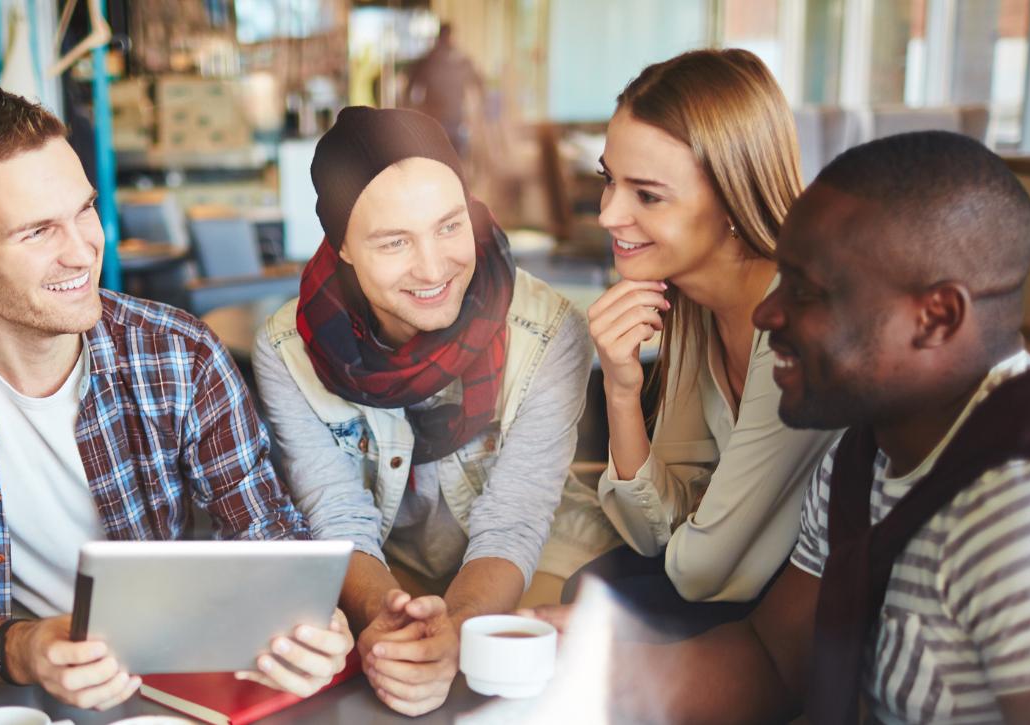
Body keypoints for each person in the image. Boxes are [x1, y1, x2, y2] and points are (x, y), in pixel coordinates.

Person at [533, 131, 1030, 723]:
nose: (767, 312)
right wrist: (594, 666)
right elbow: (774, 660)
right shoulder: (863, 457)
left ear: (936, 318)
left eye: (809, 292)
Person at [0, 89, 351, 712]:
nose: (82, 249)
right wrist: (23, 649)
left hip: (154, 689)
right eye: (37, 231)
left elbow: (266, 527)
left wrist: (306, 622)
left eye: (83, 210)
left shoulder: (178, 353)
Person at [253, 105, 595, 716]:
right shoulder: (286, 350)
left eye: (449, 226)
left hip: (525, 577)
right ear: (343, 248)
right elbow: (336, 511)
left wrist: (458, 629)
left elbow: (514, 518)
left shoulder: (550, 332)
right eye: (394, 242)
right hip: (391, 579)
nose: (435, 268)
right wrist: (389, 618)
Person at [565, 49, 838, 637]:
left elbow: (701, 570)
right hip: (736, 586)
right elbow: (655, 530)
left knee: (598, 603)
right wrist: (620, 386)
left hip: (821, 611)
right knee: (595, 587)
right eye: (608, 180)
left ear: (733, 201)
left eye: (648, 195)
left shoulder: (796, 327)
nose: (609, 214)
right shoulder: (690, 300)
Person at [403, 24, 483, 157]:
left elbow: (409, 88)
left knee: (437, 158)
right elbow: (479, 84)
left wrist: (411, 110)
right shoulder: (460, 61)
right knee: (454, 159)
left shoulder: (428, 60)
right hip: (450, 119)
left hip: (439, 119)